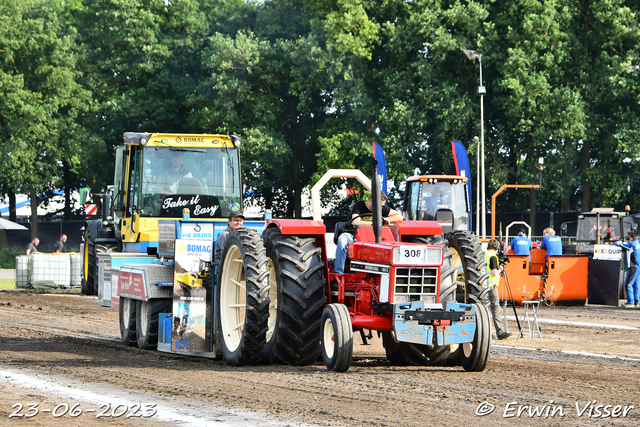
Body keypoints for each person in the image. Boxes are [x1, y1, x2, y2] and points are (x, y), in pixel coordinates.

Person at [334, 192, 403, 275]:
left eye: (382, 206)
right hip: (353, 234)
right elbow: (355, 221)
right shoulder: (359, 206)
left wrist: (387, 220)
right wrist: (374, 224)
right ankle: (338, 273)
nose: (380, 208)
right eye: (379, 205)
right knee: (342, 241)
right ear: (371, 200)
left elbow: (399, 216)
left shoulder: (381, 208)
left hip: (371, 237)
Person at [485, 239, 512, 340]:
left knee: (486, 309)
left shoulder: (485, 255)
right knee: (495, 308)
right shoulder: (493, 257)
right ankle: (499, 331)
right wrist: (501, 268)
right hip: (491, 285)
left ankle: (487, 332)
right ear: (496, 247)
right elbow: (495, 273)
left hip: (484, 285)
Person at [616, 232, 640, 308]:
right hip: (637, 267)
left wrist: (617, 242)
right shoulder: (636, 242)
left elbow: (620, 244)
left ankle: (631, 302)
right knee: (636, 284)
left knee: (628, 284)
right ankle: (637, 301)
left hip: (633, 267)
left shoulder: (631, 244)